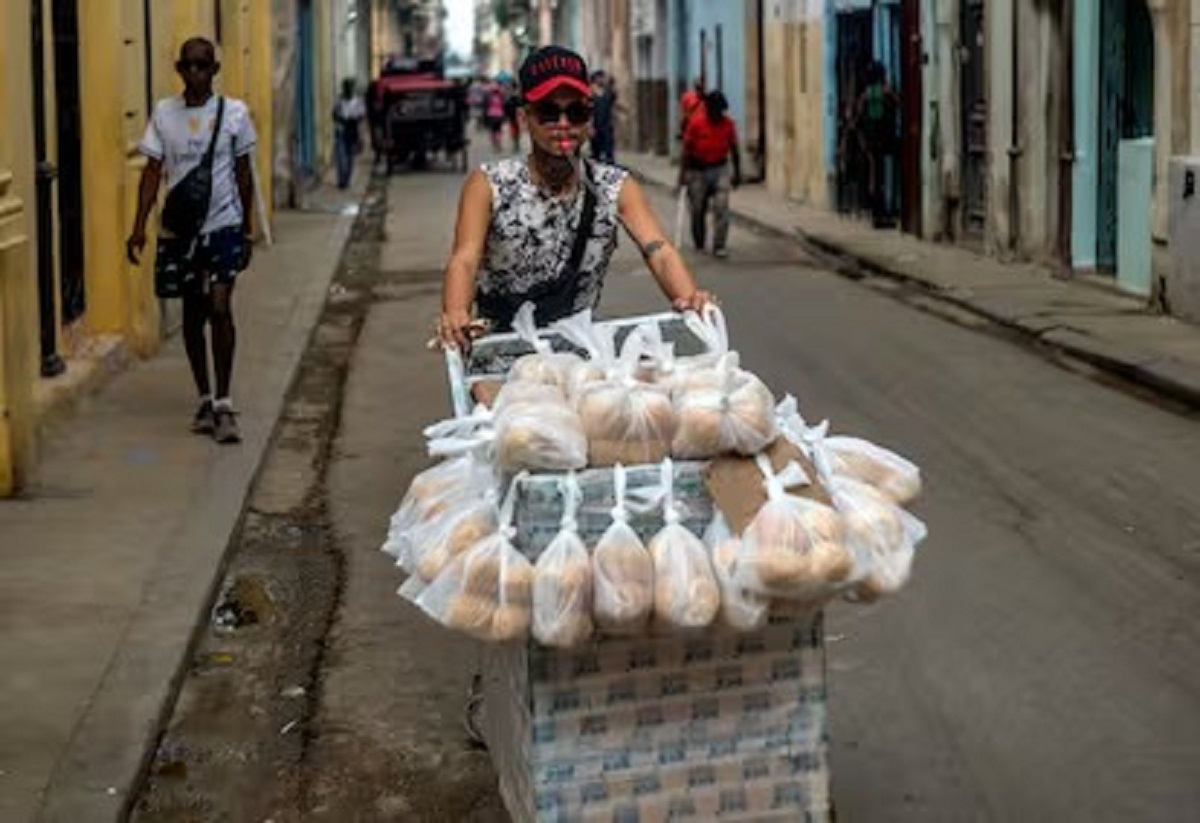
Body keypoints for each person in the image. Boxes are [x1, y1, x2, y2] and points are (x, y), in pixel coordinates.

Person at [438, 45, 714, 352]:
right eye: (548, 112)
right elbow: (465, 258)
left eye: (576, 112)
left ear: (589, 119)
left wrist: (690, 298)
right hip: (499, 356)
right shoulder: (489, 184)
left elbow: (659, 251)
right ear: (524, 117)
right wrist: (455, 311)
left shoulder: (614, 186)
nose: (564, 124)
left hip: (580, 356)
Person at [126, 37, 257, 444]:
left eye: (203, 66)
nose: (196, 73)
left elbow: (243, 174)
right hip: (180, 230)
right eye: (189, 66)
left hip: (223, 224)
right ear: (179, 69)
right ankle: (204, 396)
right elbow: (152, 171)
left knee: (220, 306)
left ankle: (223, 401)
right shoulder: (165, 114)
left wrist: (246, 229)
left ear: (214, 71)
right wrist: (138, 226)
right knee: (192, 312)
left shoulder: (235, 114)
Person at [681, 90, 741, 258]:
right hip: (697, 170)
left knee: (722, 207)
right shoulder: (696, 123)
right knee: (698, 208)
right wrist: (683, 174)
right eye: (712, 110)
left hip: (720, 169)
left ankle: (719, 245)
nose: (716, 114)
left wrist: (737, 173)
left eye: (719, 110)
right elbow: (686, 150)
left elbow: (734, 150)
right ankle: (699, 241)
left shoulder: (728, 125)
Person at [857, 61, 899, 228]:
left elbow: (858, 117)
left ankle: (876, 212)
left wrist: (862, 139)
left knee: (875, 176)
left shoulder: (866, 95)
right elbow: (897, 103)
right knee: (881, 175)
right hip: (884, 139)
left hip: (871, 140)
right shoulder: (885, 92)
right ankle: (881, 214)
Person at [333, 78, 366, 189]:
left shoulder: (358, 100)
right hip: (342, 130)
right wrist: (340, 118)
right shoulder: (339, 100)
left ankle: (346, 179)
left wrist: (361, 136)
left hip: (353, 131)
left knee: (350, 158)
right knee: (341, 157)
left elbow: (361, 116)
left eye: (351, 87)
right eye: (346, 87)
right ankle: (342, 180)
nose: (348, 89)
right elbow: (334, 114)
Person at [590, 70, 617, 164]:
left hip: (607, 125)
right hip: (595, 126)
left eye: (602, 78)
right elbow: (589, 112)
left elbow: (614, 97)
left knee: (609, 151)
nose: (601, 80)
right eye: (600, 78)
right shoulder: (591, 95)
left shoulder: (608, 93)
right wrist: (590, 126)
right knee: (596, 152)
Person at [484, 81, 506, 152]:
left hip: (491, 115)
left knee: (493, 131)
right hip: (499, 115)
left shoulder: (488, 97)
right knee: (498, 130)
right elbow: (504, 106)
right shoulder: (501, 97)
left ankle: (495, 144)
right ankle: (498, 144)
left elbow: (485, 107)